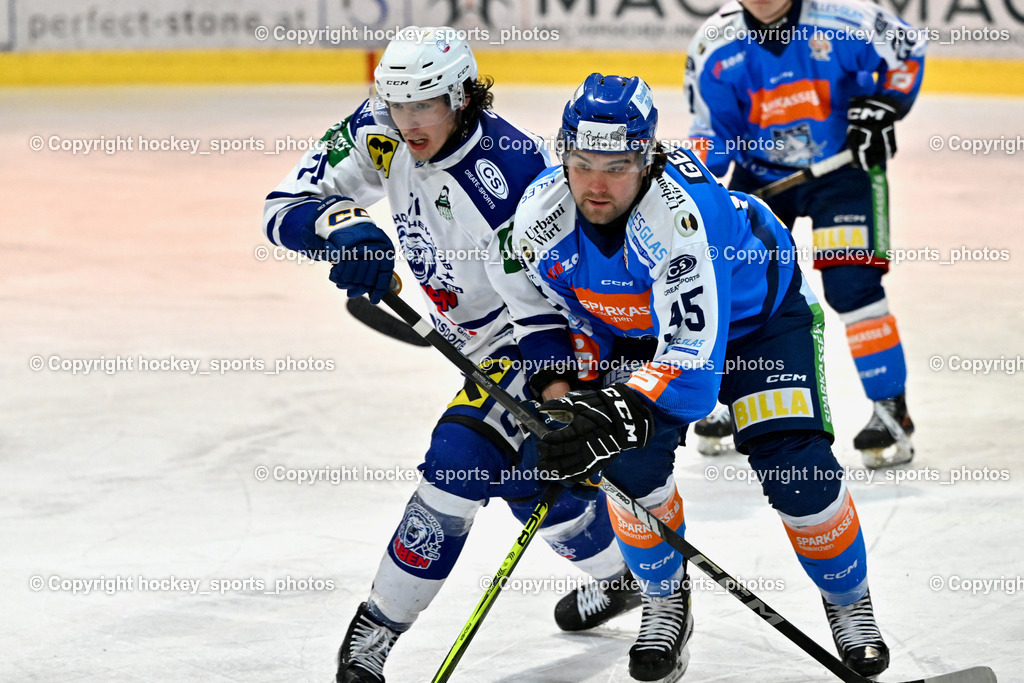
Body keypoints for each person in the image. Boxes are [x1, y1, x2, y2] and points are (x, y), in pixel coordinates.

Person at [261, 29, 637, 683]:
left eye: (424, 105)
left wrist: (576, 392)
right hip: (475, 342)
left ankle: (373, 634)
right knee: (526, 482)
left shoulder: (513, 174)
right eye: (398, 103)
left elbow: (568, 297)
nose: (408, 121)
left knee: (457, 464)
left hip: (538, 336)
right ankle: (617, 576)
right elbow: (284, 208)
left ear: (461, 97)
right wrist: (347, 230)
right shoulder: (379, 128)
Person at [494, 73, 890, 680]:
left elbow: (692, 372)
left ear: (646, 158)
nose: (596, 185)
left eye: (617, 167)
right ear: (563, 154)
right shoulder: (539, 215)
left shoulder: (681, 218)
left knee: (798, 471)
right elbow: (547, 311)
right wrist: (563, 397)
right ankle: (664, 600)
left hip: (759, 326)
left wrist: (612, 411)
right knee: (627, 469)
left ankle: (848, 600)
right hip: (637, 333)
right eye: (582, 164)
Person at [683, 0, 926, 467]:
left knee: (852, 287)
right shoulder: (715, 45)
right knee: (738, 287)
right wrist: (695, 184)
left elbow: (907, 49)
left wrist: (886, 104)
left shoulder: (845, 19)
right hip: (760, 175)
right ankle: (736, 396)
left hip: (843, 171)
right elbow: (711, 131)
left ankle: (891, 408)